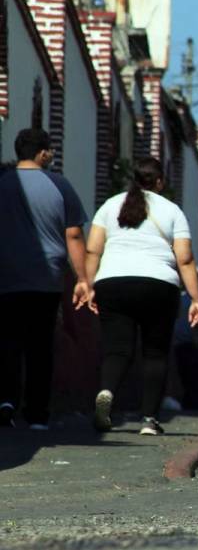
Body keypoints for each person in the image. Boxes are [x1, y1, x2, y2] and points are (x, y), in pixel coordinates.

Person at [85, 157, 198, 436]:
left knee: (117, 350)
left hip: (113, 281)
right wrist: (196, 298)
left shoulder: (110, 205)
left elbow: (93, 250)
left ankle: (106, 392)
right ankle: (149, 419)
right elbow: (184, 259)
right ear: (160, 182)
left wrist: (88, 285)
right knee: (155, 353)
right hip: (158, 285)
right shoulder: (172, 210)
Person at [0, 128, 89, 429]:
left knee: (8, 340)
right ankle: (37, 413)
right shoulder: (60, 185)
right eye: (49, 150)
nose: (51, 155)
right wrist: (83, 279)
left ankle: (5, 402)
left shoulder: (2, 183)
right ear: (41, 153)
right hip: (46, 279)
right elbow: (74, 234)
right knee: (40, 346)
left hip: (6, 277)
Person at [171, 286, 198, 410]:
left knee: (195, 372)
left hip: (195, 341)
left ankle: (195, 401)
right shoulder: (180, 294)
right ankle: (187, 399)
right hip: (180, 341)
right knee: (183, 371)